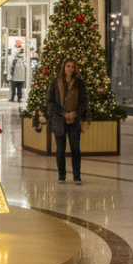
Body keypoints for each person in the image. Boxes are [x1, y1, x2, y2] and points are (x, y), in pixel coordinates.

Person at [46, 57, 90, 185]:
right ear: (63, 67)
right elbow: (50, 101)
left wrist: (75, 112)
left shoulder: (79, 83)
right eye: (68, 66)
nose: (70, 69)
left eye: (72, 67)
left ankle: (77, 176)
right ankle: (62, 175)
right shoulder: (55, 83)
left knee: (75, 148)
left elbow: (84, 101)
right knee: (60, 149)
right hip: (59, 120)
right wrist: (63, 113)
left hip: (74, 119)